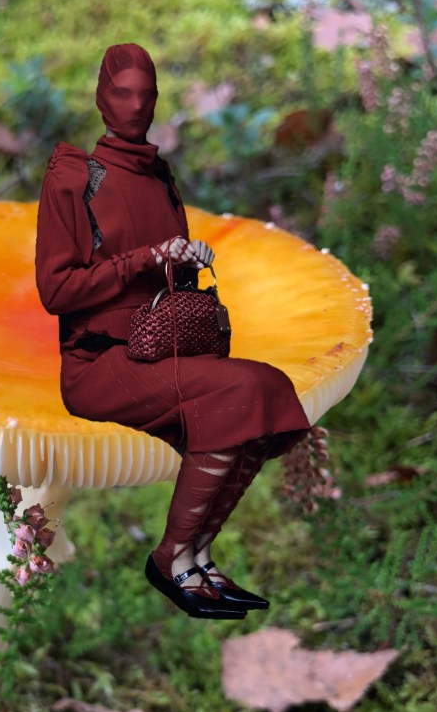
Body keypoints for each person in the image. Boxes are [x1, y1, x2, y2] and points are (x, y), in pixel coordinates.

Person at [35, 43, 310, 620]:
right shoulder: (74, 177)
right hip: (100, 363)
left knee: (269, 385)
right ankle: (170, 560)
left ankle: (198, 556)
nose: (136, 106)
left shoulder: (160, 176)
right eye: (122, 93)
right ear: (101, 98)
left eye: (147, 95)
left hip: (158, 349)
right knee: (239, 391)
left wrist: (184, 260)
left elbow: (161, 284)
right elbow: (56, 292)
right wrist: (145, 258)